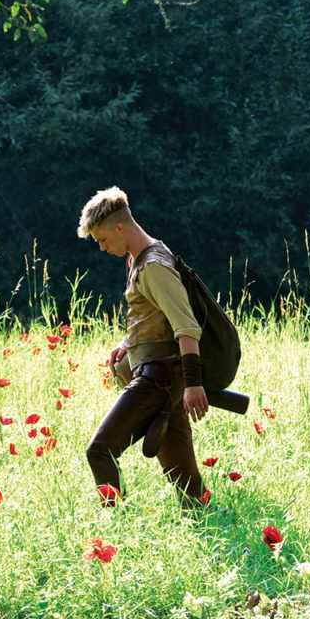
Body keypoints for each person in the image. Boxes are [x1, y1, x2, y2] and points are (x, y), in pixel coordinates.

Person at [78, 187, 208, 506]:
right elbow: (154, 314)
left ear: (120, 228)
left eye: (103, 240)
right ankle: (202, 519)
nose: (103, 247)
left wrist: (194, 384)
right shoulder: (138, 259)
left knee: (100, 451)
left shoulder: (155, 266)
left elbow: (185, 326)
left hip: (159, 380)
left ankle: (114, 526)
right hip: (161, 376)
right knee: (187, 484)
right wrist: (129, 343)